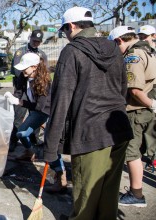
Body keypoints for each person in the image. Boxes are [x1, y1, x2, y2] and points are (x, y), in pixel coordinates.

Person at [44, 7, 133, 219]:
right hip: (118, 127)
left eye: (65, 30)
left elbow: (60, 101)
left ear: (72, 26)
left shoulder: (72, 51)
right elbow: (123, 88)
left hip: (90, 131)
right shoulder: (114, 47)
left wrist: (50, 146)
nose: (65, 35)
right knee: (108, 191)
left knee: (86, 193)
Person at [5, 53, 67, 193]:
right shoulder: (23, 76)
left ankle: (61, 176)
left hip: (50, 110)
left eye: (25, 68)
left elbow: (39, 106)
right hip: (38, 110)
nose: (22, 71)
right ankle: (29, 152)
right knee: (21, 132)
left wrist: (20, 102)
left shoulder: (44, 81)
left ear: (34, 67)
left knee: (51, 145)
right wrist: (13, 97)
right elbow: (19, 92)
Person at [108, 25, 156, 207]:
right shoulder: (149, 51)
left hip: (136, 110)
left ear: (119, 40)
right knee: (139, 151)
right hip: (145, 110)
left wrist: (151, 104)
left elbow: (135, 90)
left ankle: (137, 195)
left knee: (132, 153)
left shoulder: (133, 55)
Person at [9, 30, 48, 153]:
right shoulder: (21, 52)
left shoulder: (42, 54)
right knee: (18, 118)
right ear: (30, 38)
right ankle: (13, 141)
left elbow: (44, 72)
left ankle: (34, 141)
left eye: (38, 41)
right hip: (23, 88)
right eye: (34, 40)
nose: (36, 43)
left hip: (35, 88)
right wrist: (18, 97)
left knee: (35, 115)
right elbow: (18, 71)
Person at [138, 25, 156, 166]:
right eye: (141, 36)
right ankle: (149, 155)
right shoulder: (140, 52)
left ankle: (152, 156)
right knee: (148, 125)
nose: (142, 38)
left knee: (153, 127)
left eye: (146, 36)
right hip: (145, 92)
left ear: (153, 36)